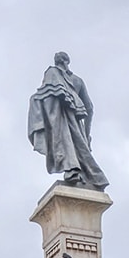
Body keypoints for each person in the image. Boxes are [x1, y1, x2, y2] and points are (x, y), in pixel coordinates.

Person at [28, 52, 109, 190]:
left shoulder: (52, 72)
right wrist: (86, 133)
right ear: (67, 61)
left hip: (61, 122)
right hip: (73, 123)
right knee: (82, 151)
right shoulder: (77, 80)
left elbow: (42, 98)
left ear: (56, 62)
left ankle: (73, 171)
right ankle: (85, 175)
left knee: (69, 146)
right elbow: (89, 108)